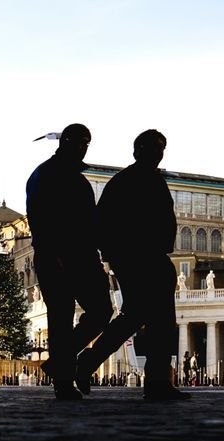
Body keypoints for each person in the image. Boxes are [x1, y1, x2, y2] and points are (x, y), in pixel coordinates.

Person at [76, 129, 187, 401]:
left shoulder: (140, 181)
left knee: (142, 317)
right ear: (137, 151)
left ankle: (91, 363)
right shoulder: (126, 182)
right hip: (139, 261)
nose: (158, 153)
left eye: (161, 148)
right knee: (154, 319)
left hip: (152, 259)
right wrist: (119, 258)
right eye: (153, 147)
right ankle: (155, 381)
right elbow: (101, 226)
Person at [25, 123, 114, 400]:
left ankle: (59, 362)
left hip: (84, 257)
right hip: (58, 257)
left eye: (86, 142)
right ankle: (63, 382)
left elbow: (92, 223)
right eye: (79, 142)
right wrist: (55, 255)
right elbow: (40, 220)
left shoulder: (75, 179)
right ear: (65, 142)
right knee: (61, 318)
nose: (83, 147)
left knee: (101, 311)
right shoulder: (46, 175)